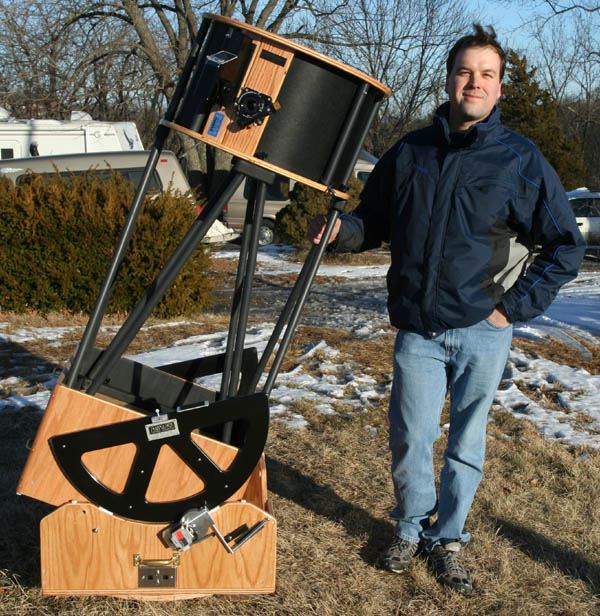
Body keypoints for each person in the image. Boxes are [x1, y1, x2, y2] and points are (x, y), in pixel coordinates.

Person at [307, 24, 585, 594]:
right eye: (466, 71)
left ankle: (448, 538)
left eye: (487, 74)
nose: (474, 83)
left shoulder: (519, 159)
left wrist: (513, 309)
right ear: (450, 79)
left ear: (500, 88)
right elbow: (373, 221)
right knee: (410, 435)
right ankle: (410, 528)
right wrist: (341, 231)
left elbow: (564, 245)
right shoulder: (410, 151)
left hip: (485, 326)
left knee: (466, 443)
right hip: (418, 327)